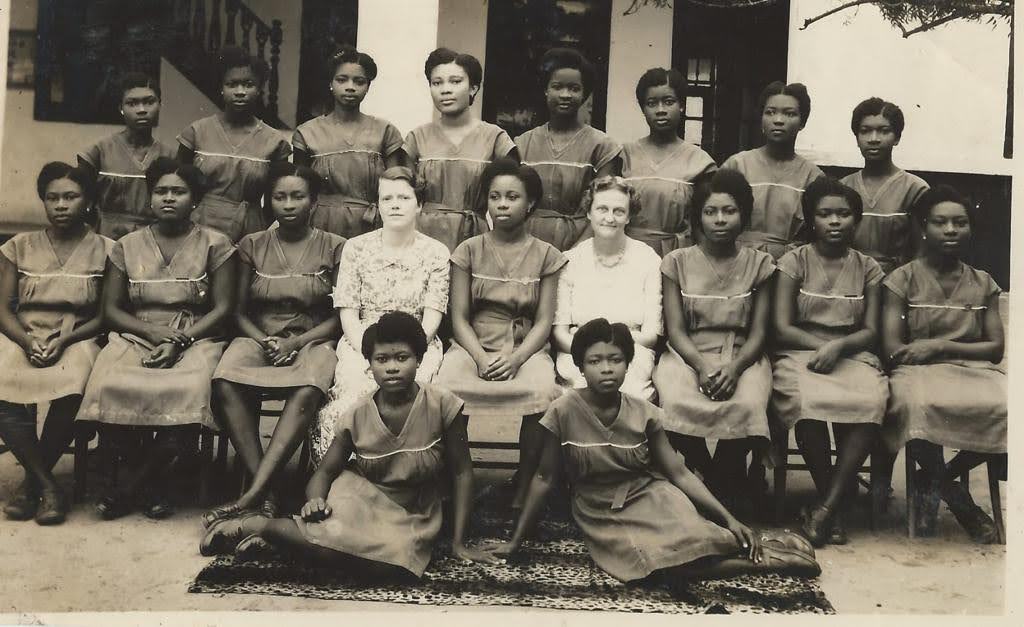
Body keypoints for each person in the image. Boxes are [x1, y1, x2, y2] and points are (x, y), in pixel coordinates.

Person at [483, 318, 820, 584]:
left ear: (628, 364)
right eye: (595, 361)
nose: (606, 368)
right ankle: (763, 562)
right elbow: (544, 477)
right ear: (580, 367)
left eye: (615, 360)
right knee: (653, 566)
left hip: (650, 495)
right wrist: (515, 542)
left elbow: (678, 473)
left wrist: (729, 518)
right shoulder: (562, 411)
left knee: (695, 538)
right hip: (598, 510)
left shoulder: (645, 412)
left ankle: (758, 545)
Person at [200, 312, 497, 576]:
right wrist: (315, 499)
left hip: (414, 509)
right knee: (336, 534)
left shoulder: (443, 405)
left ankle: (285, 542)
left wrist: (458, 542)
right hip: (360, 497)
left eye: (402, 358)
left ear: (419, 361)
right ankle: (258, 525)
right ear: (369, 366)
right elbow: (325, 473)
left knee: (398, 564)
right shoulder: (356, 415)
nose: (392, 367)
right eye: (382, 360)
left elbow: (462, 473)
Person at [77, 157, 237, 519]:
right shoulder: (127, 245)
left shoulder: (216, 243)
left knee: (192, 386)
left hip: (196, 335)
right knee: (108, 381)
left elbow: (223, 309)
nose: (169, 198)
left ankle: (137, 485)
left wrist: (179, 340)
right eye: (161, 191)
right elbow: (112, 310)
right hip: (136, 333)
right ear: (150, 197)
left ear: (194, 199)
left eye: (179, 192)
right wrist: (150, 331)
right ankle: (148, 481)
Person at [203, 163, 346, 526]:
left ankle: (252, 492)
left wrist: (297, 341)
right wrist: (263, 340)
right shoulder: (252, 244)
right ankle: (266, 490)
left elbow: (339, 315)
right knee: (225, 378)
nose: (288, 204)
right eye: (280, 197)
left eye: (298, 196)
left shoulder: (336, 247)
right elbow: (237, 310)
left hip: (313, 338)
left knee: (311, 384)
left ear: (313, 201)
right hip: (259, 335)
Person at [435, 158, 565, 510]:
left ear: (531, 204)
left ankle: (523, 481)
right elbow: (458, 316)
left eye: (512, 197)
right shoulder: (468, 250)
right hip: (472, 345)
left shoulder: (547, 255)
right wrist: (479, 357)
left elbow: (544, 322)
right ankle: (456, 477)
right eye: (495, 197)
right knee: (444, 387)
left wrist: (517, 358)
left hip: (525, 347)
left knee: (542, 390)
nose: (502, 205)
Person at [881, 185, 1005, 543]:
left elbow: (995, 348)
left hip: (971, 370)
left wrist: (938, 346)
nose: (950, 230)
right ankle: (960, 499)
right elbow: (893, 346)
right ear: (923, 227)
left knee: (1011, 408)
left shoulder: (984, 283)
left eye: (959, 223)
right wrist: (932, 353)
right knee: (916, 405)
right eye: (940, 222)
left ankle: (936, 480)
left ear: (970, 228)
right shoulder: (901, 279)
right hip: (917, 372)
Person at [771, 177, 888, 546]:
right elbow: (781, 325)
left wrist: (838, 348)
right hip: (800, 351)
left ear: (857, 220)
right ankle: (833, 501)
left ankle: (824, 510)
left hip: (853, 352)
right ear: (812, 219)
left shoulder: (868, 267)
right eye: (825, 214)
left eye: (844, 214)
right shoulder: (794, 261)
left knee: (872, 401)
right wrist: (819, 346)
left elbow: (871, 330)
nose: (834, 222)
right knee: (806, 404)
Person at [652, 170, 774, 510]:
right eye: (710, 212)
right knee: (675, 401)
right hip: (688, 354)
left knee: (749, 403)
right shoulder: (676, 262)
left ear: (744, 215)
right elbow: (675, 330)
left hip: (742, 354)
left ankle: (724, 470)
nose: (720, 219)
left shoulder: (760, 263)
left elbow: (760, 332)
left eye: (729, 211)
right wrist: (703, 367)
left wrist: (734, 369)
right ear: (698, 218)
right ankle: (708, 472)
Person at [311, 167, 450, 463]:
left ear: (419, 204)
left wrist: (407, 352)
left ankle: (404, 470)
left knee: (414, 391)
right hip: (361, 343)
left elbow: (432, 316)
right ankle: (348, 473)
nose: (395, 205)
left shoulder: (436, 252)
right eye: (387, 198)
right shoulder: (356, 248)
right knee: (354, 390)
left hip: (417, 347)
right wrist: (369, 352)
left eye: (404, 197)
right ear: (378, 204)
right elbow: (348, 313)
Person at [0, 163, 113, 525]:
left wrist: (67, 339)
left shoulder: (108, 249)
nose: (61, 205)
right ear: (43, 202)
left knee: (77, 383)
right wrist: (26, 340)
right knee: (1, 382)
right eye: (52, 198)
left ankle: (32, 485)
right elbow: (2, 308)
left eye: (70, 197)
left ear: (88, 201)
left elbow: (105, 315)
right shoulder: (18, 246)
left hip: (78, 334)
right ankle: (47, 485)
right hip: (23, 333)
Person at [553, 176, 662, 400]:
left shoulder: (648, 259)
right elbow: (559, 333)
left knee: (630, 396)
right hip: (579, 353)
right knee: (577, 397)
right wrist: (591, 352)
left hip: (632, 355)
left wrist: (614, 351)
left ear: (629, 216)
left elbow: (651, 336)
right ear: (589, 212)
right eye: (602, 209)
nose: (609, 218)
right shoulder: (570, 260)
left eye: (619, 211)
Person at [405, 48, 517, 251]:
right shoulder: (416, 138)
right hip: (423, 241)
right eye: (437, 83)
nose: (445, 90)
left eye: (455, 82)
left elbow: (513, 194)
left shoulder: (495, 137)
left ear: (473, 88)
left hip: (475, 239)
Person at [177, 46, 292, 242]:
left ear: (259, 90)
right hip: (199, 226)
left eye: (248, 84)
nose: (240, 91)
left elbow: (278, 194)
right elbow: (178, 185)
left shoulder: (274, 141)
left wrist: (260, 226)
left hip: (249, 230)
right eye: (232, 84)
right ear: (221, 88)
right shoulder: (197, 132)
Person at [292, 45, 405, 239]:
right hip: (321, 225)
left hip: (371, 226)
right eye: (342, 80)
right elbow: (299, 189)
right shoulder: (308, 132)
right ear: (331, 83)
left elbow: (394, 186)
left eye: (359, 81)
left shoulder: (385, 131)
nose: (350, 86)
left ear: (368, 86)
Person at [516, 48, 622, 251]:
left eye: (574, 88)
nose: (565, 95)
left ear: (584, 95)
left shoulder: (602, 146)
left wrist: (577, 254)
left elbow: (604, 206)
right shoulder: (523, 144)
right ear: (546, 89)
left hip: (582, 243)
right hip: (528, 243)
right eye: (557, 87)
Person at [721, 82, 824, 260]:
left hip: (791, 264)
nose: (778, 120)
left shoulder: (813, 176)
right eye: (770, 112)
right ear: (761, 118)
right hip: (737, 259)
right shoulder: (737, 165)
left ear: (802, 122)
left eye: (789, 114)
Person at [622, 67, 716, 256]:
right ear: (643, 108)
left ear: (681, 105)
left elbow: (704, 222)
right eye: (652, 103)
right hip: (628, 255)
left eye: (668, 102)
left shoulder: (699, 162)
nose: (661, 110)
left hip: (677, 255)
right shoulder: (624, 155)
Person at [77, 72, 176, 239]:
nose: (142, 110)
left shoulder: (170, 156)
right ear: (120, 108)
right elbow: (79, 199)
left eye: (149, 102)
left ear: (160, 105)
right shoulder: (99, 151)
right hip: (106, 236)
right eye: (132, 103)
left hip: (152, 238)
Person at [841, 98, 929, 275]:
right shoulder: (843, 187)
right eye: (865, 131)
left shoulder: (915, 189)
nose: (874, 139)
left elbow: (922, 252)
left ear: (896, 138)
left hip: (897, 282)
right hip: (849, 279)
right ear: (857, 138)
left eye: (883, 131)